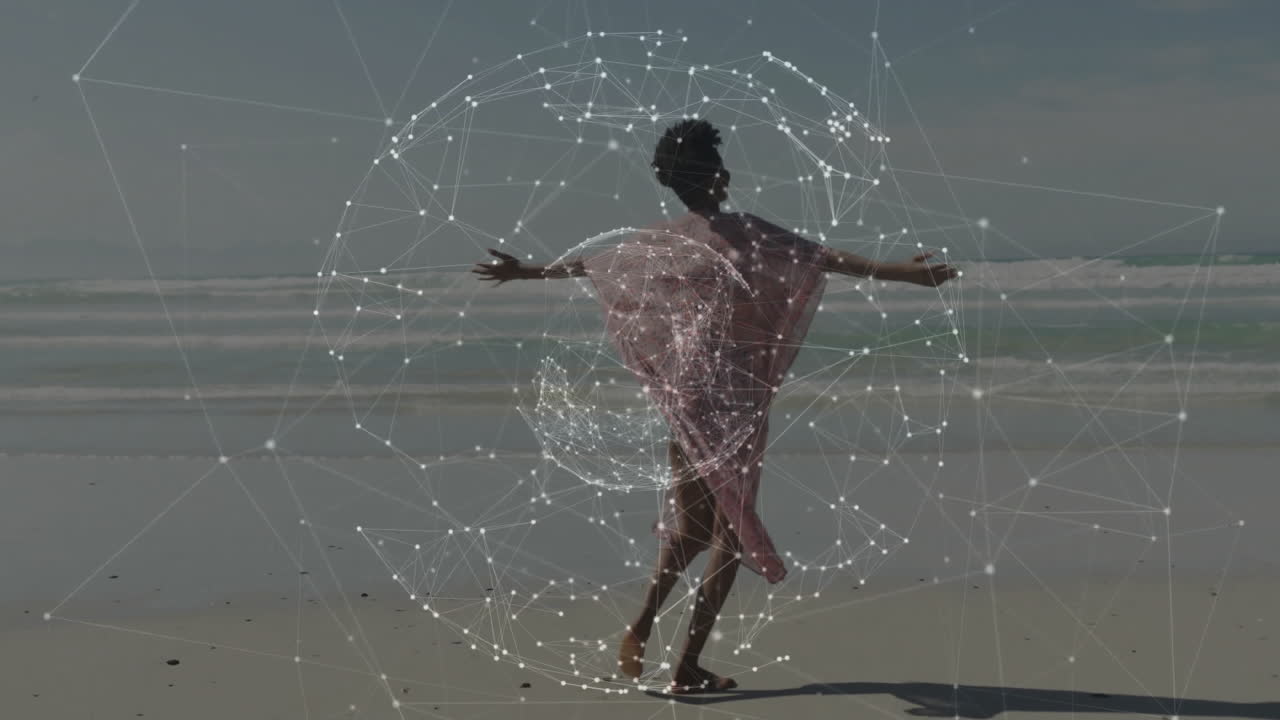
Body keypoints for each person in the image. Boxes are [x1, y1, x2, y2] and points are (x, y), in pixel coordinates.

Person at [474, 119, 957, 693]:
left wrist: (525, 271)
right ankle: (685, 665)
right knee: (728, 528)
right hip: (735, 400)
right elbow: (821, 259)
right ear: (718, 175)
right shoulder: (747, 231)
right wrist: (904, 274)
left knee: (693, 527)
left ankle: (641, 627)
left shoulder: (659, 240)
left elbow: (596, 266)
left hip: (686, 396)